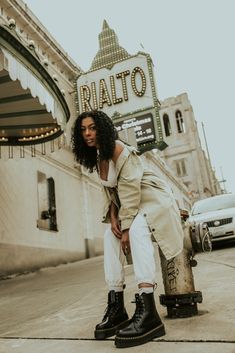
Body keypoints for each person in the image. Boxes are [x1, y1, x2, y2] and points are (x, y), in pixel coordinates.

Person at [71, 110, 184, 348]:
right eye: (83, 130)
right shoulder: (98, 156)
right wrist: (113, 219)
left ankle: (148, 310)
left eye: (92, 128)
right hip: (129, 206)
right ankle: (117, 306)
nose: (88, 133)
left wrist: (126, 228)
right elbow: (111, 192)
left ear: (102, 128)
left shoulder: (119, 150)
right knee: (107, 236)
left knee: (137, 230)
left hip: (152, 198)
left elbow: (131, 191)